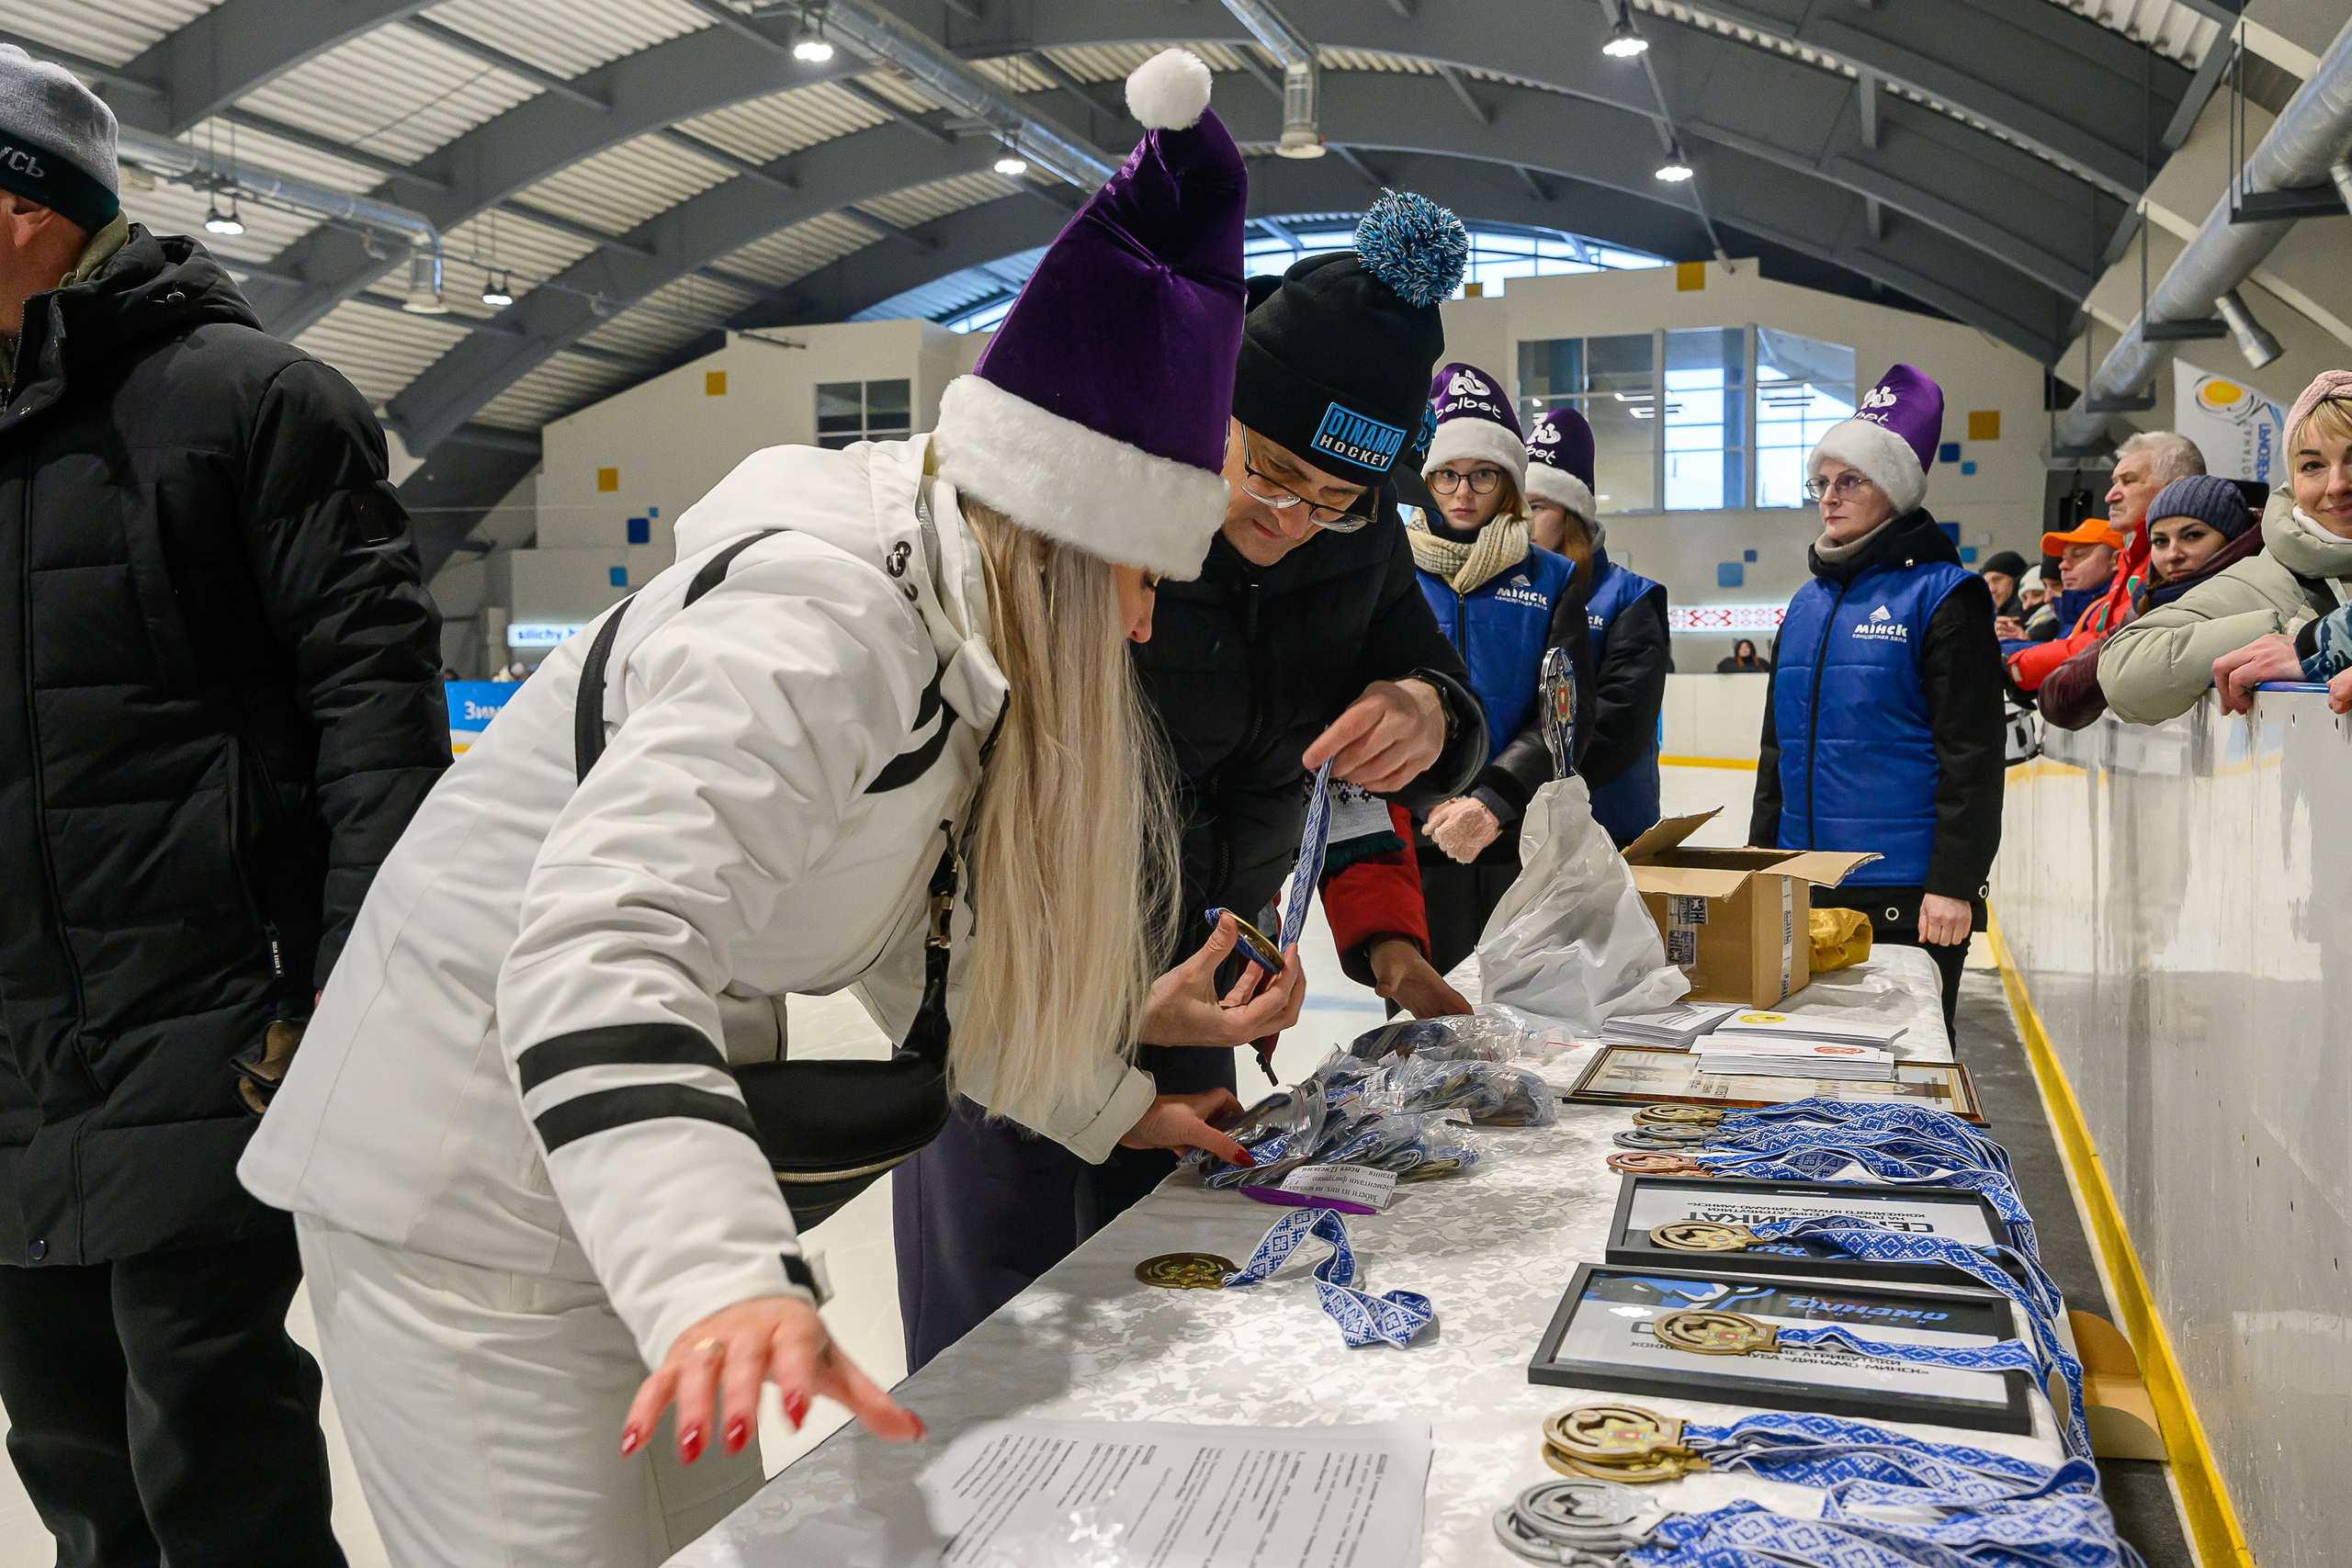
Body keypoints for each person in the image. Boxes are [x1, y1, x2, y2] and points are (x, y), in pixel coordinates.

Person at [237, 54, 1282, 1567]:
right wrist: (725, 1274)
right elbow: (604, 937)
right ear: (1064, 537)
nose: (1136, 631)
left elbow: (888, 946)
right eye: (1135, 579)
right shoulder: (820, 618)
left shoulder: (943, 637)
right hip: (461, 1189)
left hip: (609, 1175)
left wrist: (1114, 1106)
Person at [892, 186, 1493, 1371]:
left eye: (1336, 503)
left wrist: (1426, 713)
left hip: (1203, 977)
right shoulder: (1097, 495)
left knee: (1173, 1306)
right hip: (1027, 970)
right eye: (1270, 475)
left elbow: (1435, 687)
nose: (1292, 518)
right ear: (1211, 408)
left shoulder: (1350, 540)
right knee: (998, 1323)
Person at [0, 49, 451, 1568]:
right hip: (19, 1049)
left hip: (213, 1027)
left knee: (212, 1442)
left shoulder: (259, 407)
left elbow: (377, 736)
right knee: (65, 1445)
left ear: (19, 211)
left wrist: (343, 1000)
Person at [1750, 366, 2004, 1030]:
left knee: (1906, 1065)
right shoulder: (1804, 605)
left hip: (1905, 890)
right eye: (1821, 484)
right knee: (1808, 1058)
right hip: (1802, 881)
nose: (1830, 497)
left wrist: (1955, 882)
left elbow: (1973, 756)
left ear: (1891, 488)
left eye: (1849, 481)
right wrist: (1754, 866)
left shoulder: (1946, 597)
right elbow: (1776, 754)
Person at [1400, 365, 1592, 974]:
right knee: (1426, 1041)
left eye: (1483, 475)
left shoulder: (1553, 579)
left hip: (1519, 842)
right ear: (1425, 477)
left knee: (1526, 1036)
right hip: (1416, 846)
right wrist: (1430, 804)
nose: (1464, 492)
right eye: (1448, 474)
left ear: (1508, 481)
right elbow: (1362, 703)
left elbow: (1562, 716)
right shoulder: (1388, 574)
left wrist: (1488, 802)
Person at [2104, 371, 2352, 723]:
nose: (2338, 484)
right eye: (2313, 466)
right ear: (2293, 481)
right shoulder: (2266, 580)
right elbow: (2123, 671)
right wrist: (2285, 634)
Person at [1523, 407, 1669, 845]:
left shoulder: (1631, 598)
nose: (1524, 522)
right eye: (1517, 507)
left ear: (1573, 516)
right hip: (1522, 831)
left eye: (1538, 507)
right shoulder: (1512, 598)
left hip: (1609, 827)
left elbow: (1619, 723)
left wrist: (1520, 780)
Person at [2038, 476, 2261, 730]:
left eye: (2193, 536)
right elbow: (2058, 698)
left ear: (2232, 538)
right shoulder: (2146, 603)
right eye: (2160, 541)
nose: (2173, 554)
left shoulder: (2256, 588)